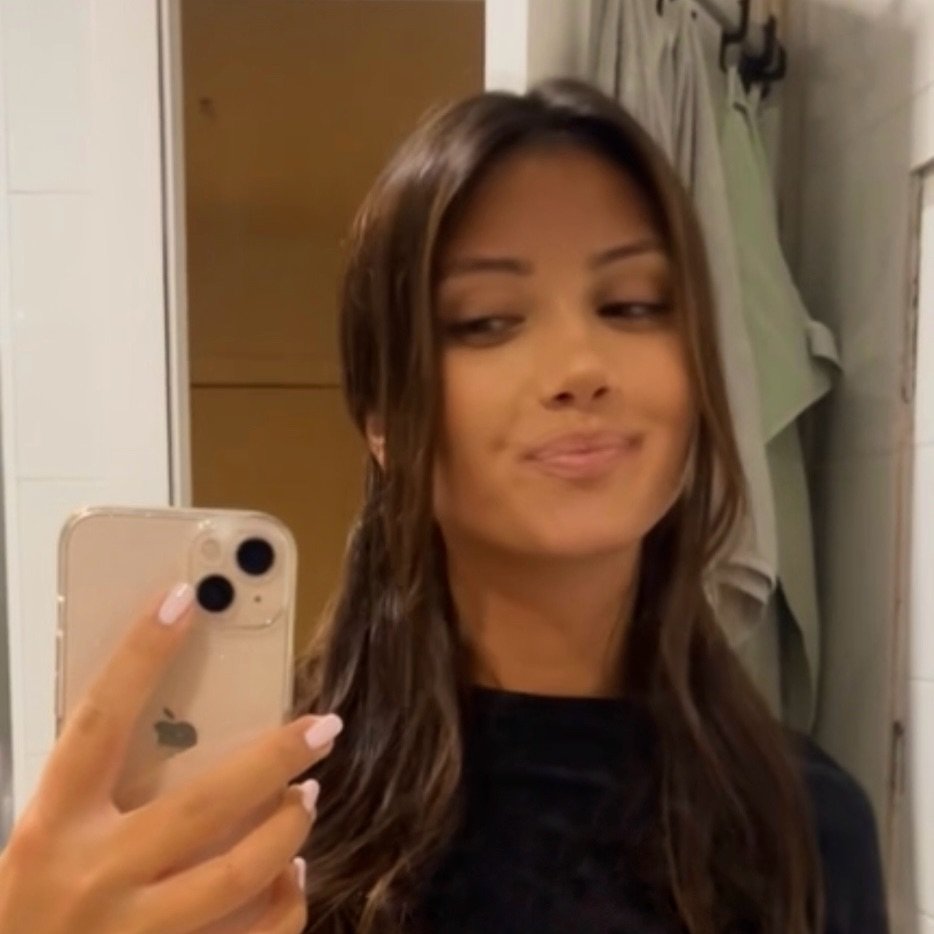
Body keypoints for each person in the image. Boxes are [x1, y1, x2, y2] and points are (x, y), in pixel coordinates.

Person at [0, 79, 887, 934]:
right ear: (384, 421)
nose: (581, 368)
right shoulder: (259, 816)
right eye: (488, 321)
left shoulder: (806, 827)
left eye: (631, 306)